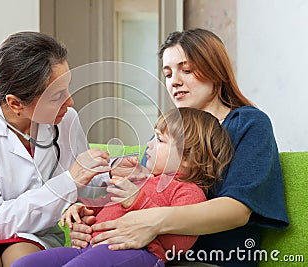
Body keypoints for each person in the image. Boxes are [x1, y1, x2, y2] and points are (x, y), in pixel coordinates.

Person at [69, 28, 289, 267]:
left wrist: (154, 220)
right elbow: (134, 198)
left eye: (186, 70)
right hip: (146, 253)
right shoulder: (167, 133)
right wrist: (90, 225)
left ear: (216, 71)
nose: (175, 81)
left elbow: (237, 209)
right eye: (167, 73)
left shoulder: (249, 124)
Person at [0, 31, 111, 267]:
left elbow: (86, 184)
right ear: (15, 103)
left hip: (36, 234)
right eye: (57, 95)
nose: (70, 102)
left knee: (24, 259)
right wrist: (68, 182)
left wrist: (114, 172)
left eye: (67, 88)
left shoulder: (66, 119)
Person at [11, 107, 234, 267]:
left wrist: (137, 201)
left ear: (187, 157)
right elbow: (110, 206)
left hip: (139, 255)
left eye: (159, 140)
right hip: (92, 247)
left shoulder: (188, 190)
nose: (149, 144)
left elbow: (179, 243)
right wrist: (85, 211)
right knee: (24, 264)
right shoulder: (142, 179)